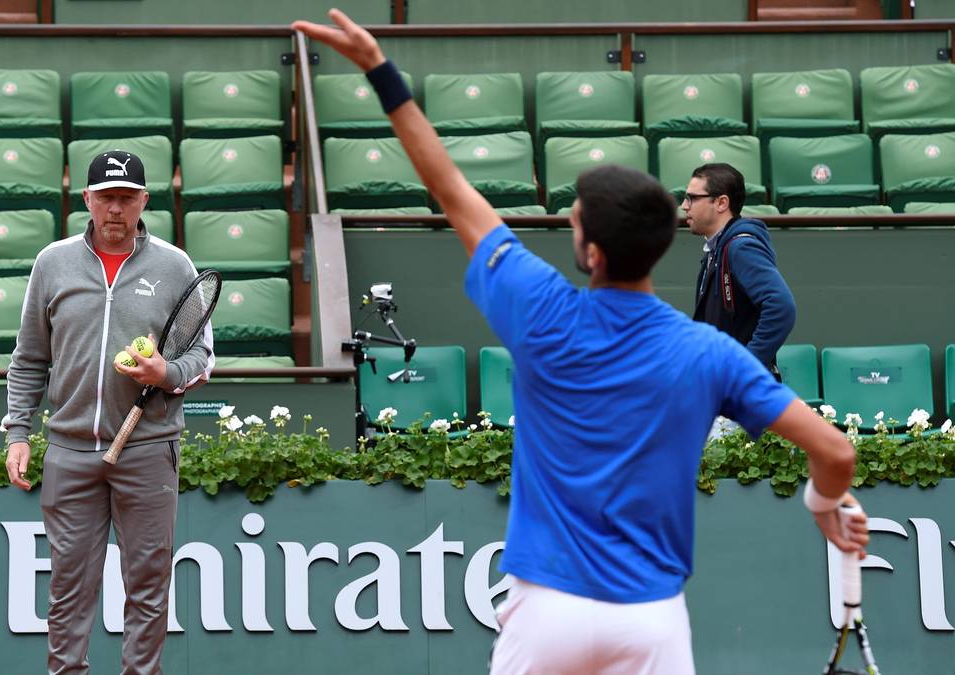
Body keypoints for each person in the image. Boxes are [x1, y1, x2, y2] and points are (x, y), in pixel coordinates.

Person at [292, 11, 867, 674]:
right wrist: (823, 502)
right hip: (650, 623)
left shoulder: (541, 309)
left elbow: (450, 189)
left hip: (546, 615)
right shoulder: (709, 353)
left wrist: (379, 70)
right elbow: (835, 451)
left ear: (591, 251)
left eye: (573, 221)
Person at [2, 149, 214, 675]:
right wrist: (18, 432)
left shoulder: (175, 266)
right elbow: (29, 358)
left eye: (125, 197)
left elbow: (202, 356)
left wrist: (165, 374)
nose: (115, 208)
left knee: (148, 588)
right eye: (105, 197)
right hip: (70, 452)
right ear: (87, 200)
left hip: (148, 449)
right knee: (67, 591)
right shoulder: (52, 263)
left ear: (143, 201)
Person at [684, 163, 796, 374]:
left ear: (721, 203)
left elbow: (781, 307)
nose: (684, 205)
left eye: (692, 198)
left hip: (741, 386)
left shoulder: (740, 248)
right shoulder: (716, 250)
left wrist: (746, 365)